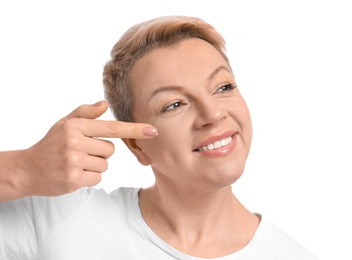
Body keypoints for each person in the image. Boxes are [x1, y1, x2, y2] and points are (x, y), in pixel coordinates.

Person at [0, 16, 318, 259]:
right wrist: (23, 170)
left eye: (223, 87)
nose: (212, 114)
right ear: (137, 145)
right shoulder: (64, 219)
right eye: (174, 104)